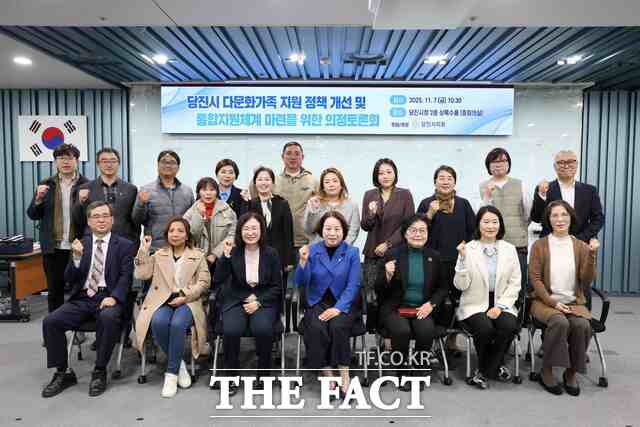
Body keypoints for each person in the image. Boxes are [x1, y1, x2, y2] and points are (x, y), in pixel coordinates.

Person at [41, 201, 134, 398]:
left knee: (108, 317)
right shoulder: (81, 244)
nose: (101, 220)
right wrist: (76, 258)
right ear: (89, 221)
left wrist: (114, 297)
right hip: (83, 298)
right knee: (51, 322)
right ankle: (63, 372)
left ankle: (99, 371)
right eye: (96, 216)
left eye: (105, 216)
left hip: (108, 297)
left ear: (112, 220)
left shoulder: (125, 245)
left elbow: (126, 277)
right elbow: (69, 278)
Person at [134, 217, 211, 398]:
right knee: (158, 322)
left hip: (188, 300)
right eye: (171, 231)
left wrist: (185, 296)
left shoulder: (198, 255)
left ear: (187, 235)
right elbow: (142, 274)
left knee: (177, 324)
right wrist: (143, 250)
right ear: (167, 234)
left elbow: (204, 282)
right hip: (163, 300)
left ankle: (171, 374)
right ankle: (180, 365)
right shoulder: (158, 255)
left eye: (180, 231)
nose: (175, 234)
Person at [529, 200, 599, 397]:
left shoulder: (581, 246)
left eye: (564, 215)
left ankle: (571, 372)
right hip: (544, 302)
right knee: (559, 322)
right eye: (555, 215)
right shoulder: (539, 245)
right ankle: (546, 371)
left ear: (571, 218)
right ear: (549, 220)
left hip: (573, 303)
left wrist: (592, 255)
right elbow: (535, 279)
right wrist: (553, 302)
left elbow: (587, 280)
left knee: (582, 325)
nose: (560, 219)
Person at [375, 214, 448, 391]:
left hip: (422, 307)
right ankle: (402, 373)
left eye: (422, 231)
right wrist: (387, 275)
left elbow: (443, 288)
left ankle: (420, 371)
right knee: (402, 331)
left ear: (428, 234)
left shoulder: (434, 257)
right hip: (396, 308)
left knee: (425, 330)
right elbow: (378, 288)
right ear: (405, 234)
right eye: (413, 230)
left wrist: (431, 304)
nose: (418, 234)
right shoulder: (393, 254)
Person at [213, 212, 283, 395]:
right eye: (246, 229)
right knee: (231, 330)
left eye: (254, 228)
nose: (250, 233)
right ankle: (231, 377)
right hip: (237, 298)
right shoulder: (234, 251)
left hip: (264, 299)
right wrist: (225, 257)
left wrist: (258, 301)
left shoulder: (271, 253)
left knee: (263, 329)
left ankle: (264, 376)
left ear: (261, 230)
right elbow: (218, 279)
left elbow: (277, 287)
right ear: (239, 231)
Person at [453, 206, 521, 389]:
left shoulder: (509, 249)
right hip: (474, 304)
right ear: (478, 224)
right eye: (486, 222)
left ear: (500, 225)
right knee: (484, 329)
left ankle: (483, 370)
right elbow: (461, 285)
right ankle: (495, 367)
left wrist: (500, 307)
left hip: (502, 303)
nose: (490, 226)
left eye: (494, 222)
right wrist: (462, 259)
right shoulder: (468, 248)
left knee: (508, 326)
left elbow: (515, 283)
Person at [295, 211, 361, 398]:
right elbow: (300, 281)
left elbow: (353, 285)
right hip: (317, 301)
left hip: (343, 303)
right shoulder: (312, 250)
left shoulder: (352, 252)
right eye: (328, 229)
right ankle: (327, 373)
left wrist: (338, 308)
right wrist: (303, 261)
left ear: (344, 231)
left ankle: (344, 374)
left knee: (338, 326)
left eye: (337, 229)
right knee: (316, 327)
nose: (332, 233)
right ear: (321, 231)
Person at [417, 165, 475, 352]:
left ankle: (451, 340)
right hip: (432, 263)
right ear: (435, 182)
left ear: (455, 182)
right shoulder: (427, 203)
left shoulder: (463, 204)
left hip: (458, 262)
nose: (445, 181)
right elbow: (416, 230)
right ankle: (432, 341)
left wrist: (466, 245)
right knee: (436, 301)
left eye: (449, 178)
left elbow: (473, 230)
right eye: (441, 178)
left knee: (458, 301)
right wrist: (430, 214)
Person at [27, 143, 89, 313]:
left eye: (69, 158)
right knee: (55, 291)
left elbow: (93, 217)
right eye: (61, 158)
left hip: (79, 246)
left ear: (77, 161)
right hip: (53, 247)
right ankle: (55, 327)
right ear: (55, 162)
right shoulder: (46, 184)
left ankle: (78, 325)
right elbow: (33, 214)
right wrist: (38, 199)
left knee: (79, 289)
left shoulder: (87, 185)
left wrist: (84, 203)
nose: (65, 162)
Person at [361, 158, 415, 298]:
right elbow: (365, 226)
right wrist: (371, 214)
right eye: (381, 173)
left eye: (389, 172)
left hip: (397, 251)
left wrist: (387, 244)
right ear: (376, 176)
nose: (385, 176)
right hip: (373, 252)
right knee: (371, 296)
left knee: (393, 295)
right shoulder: (369, 195)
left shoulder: (405, 195)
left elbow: (408, 225)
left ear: (395, 174)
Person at [479, 148, 530, 290]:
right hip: (492, 244)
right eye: (494, 161)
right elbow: (480, 215)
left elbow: (529, 212)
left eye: (502, 160)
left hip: (518, 243)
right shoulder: (482, 186)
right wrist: (487, 195)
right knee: (495, 285)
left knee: (518, 284)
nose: (499, 164)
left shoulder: (520, 184)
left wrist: (521, 228)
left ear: (508, 164)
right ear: (488, 166)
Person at [530, 150, 604, 242]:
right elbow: (536, 218)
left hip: (580, 243)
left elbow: (598, 219)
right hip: (550, 244)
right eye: (561, 162)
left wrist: (581, 238)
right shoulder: (544, 189)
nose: (566, 166)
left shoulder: (590, 191)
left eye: (570, 161)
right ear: (555, 166)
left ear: (577, 164)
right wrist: (542, 195)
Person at [73, 148, 139, 244]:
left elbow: (135, 220)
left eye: (113, 161)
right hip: (94, 242)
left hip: (124, 242)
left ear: (119, 163)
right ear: (98, 164)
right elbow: (77, 219)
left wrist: (135, 242)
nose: (109, 165)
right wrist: (80, 202)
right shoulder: (85, 188)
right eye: (104, 161)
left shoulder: (131, 189)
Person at [132, 150, 195, 250]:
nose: (168, 165)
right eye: (164, 162)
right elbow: (136, 220)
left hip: (183, 248)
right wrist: (141, 204)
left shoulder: (187, 191)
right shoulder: (146, 190)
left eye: (172, 162)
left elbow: (192, 220)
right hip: (156, 248)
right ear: (157, 165)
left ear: (178, 167)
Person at [247, 167, 295, 277]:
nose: (263, 183)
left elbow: (288, 233)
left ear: (272, 182)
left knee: (279, 285)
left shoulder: (282, 203)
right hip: (255, 255)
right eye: (260, 179)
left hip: (279, 256)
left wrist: (289, 259)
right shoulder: (250, 204)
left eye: (267, 179)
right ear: (255, 183)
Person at [183, 177, 237, 274]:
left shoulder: (227, 210)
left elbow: (233, 235)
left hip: (222, 259)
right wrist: (199, 215)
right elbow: (191, 235)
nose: (208, 193)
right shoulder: (191, 211)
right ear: (199, 192)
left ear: (217, 192)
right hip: (197, 262)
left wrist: (215, 254)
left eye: (212, 190)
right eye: (204, 190)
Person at [303, 167, 360, 245]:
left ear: (341, 185)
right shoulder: (314, 202)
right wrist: (314, 210)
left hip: (343, 249)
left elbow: (353, 231)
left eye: (335, 181)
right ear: (323, 187)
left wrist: (342, 248)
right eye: (327, 182)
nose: (331, 185)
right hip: (318, 248)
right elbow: (309, 230)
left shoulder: (352, 205)